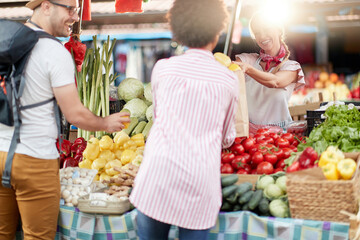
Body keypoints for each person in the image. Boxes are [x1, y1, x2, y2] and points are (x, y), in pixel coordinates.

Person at [0, 0, 129, 239]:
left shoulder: (6, 42)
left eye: (76, 10)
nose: (75, 17)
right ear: (46, 6)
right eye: (69, 9)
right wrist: (106, 123)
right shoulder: (53, 51)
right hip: (34, 160)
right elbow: (74, 115)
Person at [129, 0, 239, 239]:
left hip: (157, 178)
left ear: (178, 29)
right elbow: (227, 138)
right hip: (200, 183)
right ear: (217, 30)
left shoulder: (163, 69)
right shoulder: (229, 80)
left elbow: (160, 118)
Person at [233, 10, 305, 130]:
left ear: (278, 30)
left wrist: (248, 69)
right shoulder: (248, 60)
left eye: (266, 29)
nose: (262, 36)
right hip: (250, 137)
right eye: (257, 33)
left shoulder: (291, 67)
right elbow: (230, 70)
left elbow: (275, 82)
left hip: (280, 137)